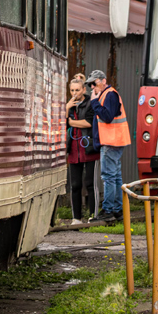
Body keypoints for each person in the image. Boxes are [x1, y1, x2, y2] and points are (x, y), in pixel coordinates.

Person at [86, 69, 129, 223]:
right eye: (90, 85)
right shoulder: (108, 94)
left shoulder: (109, 95)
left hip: (111, 141)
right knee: (115, 177)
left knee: (108, 177)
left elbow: (107, 117)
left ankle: (108, 210)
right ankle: (117, 210)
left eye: (94, 83)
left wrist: (94, 103)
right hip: (114, 141)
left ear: (103, 81)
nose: (92, 87)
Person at [65, 77, 98, 224]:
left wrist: (71, 122)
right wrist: (67, 108)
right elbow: (63, 124)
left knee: (90, 183)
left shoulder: (90, 103)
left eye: (77, 90)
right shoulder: (69, 105)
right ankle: (76, 217)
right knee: (75, 185)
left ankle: (93, 215)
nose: (74, 93)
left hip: (88, 147)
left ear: (84, 90)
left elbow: (89, 123)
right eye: (72, 90)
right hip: (73, 149)